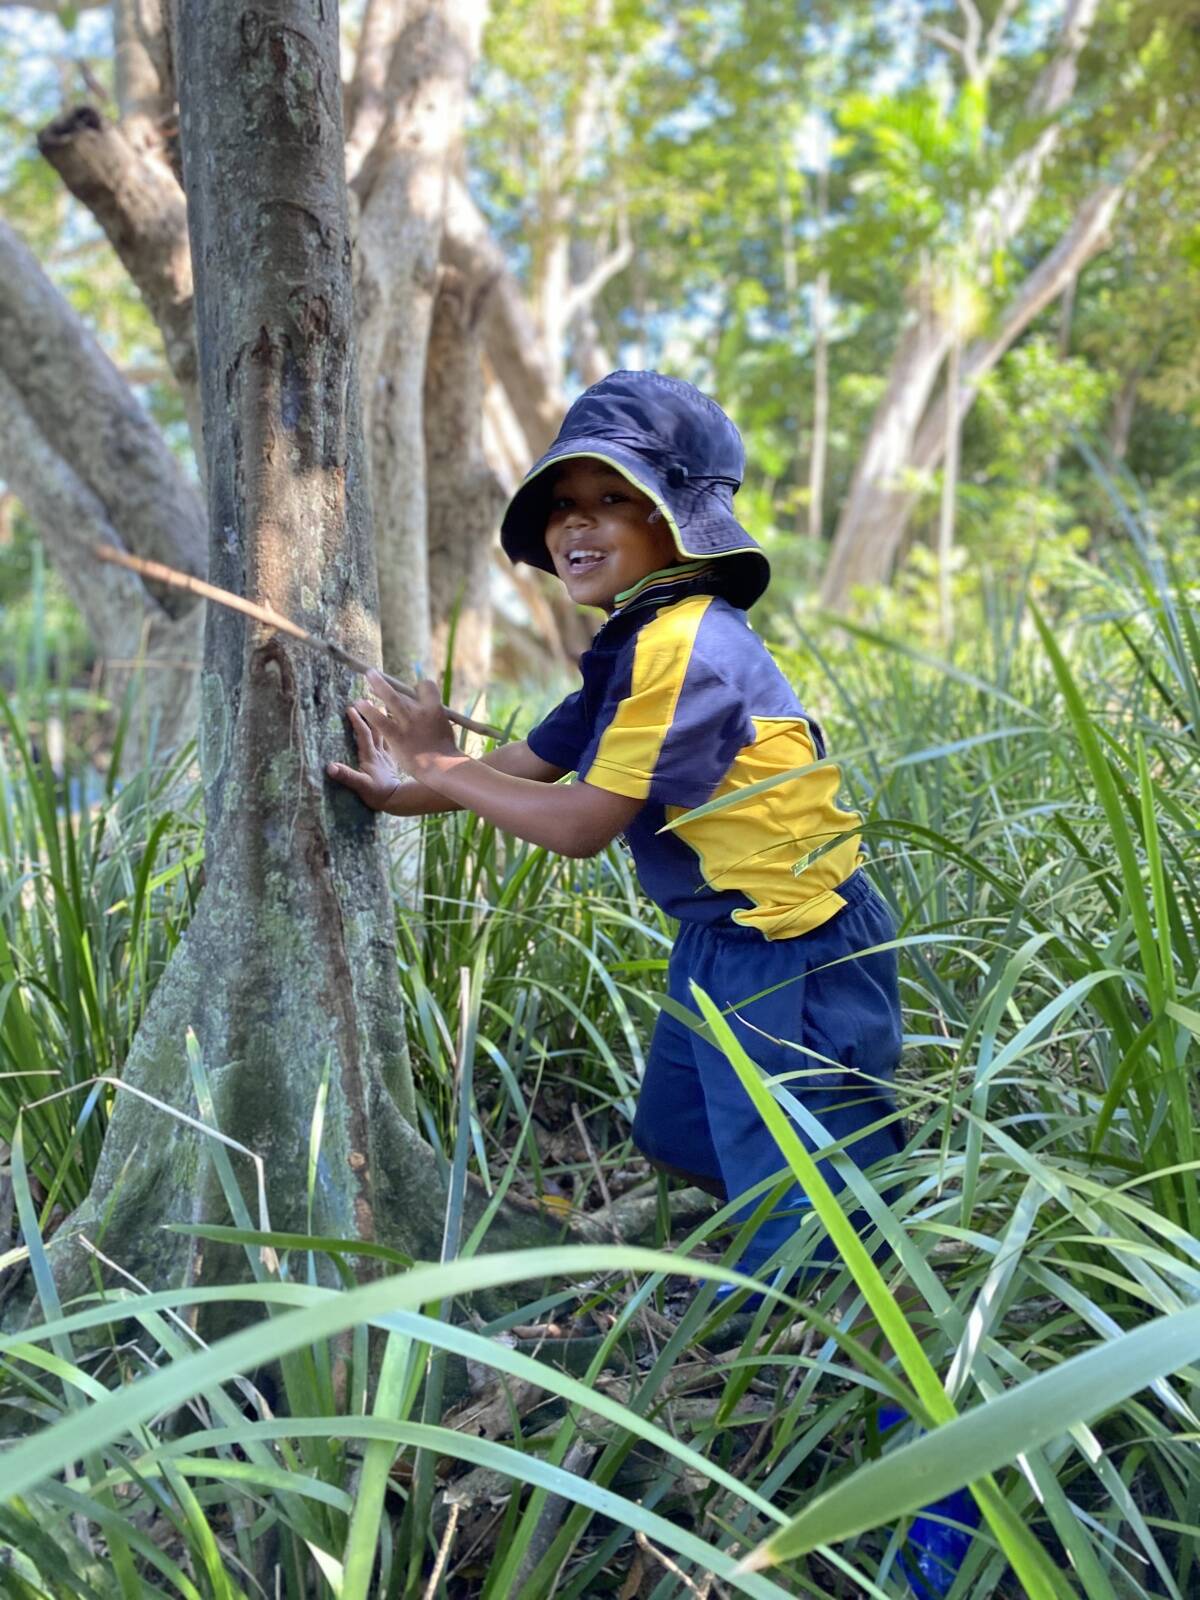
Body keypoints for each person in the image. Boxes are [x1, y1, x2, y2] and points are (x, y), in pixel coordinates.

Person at [329, 371, 971, 1597]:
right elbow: (539, 757)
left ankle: (937, 1506)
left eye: (611, 500)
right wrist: (424, 767)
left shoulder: (691, 644)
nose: (578, 523)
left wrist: (448, 776)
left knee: (841, 1242)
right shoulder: (632, 642)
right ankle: (764, 1310)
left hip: (797, 957)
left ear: (679, 522)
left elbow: (574, 821)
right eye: (564, 501)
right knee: (676, 1135)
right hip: (720, 949)